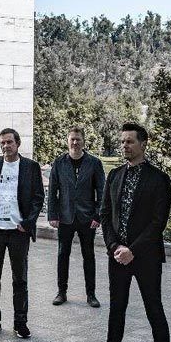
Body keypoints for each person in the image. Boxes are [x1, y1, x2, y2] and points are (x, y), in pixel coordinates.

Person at [85, 123, 171, 342]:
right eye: (122, 141)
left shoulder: (159, 179)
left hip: (146, 258)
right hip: (117, 256)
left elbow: (158, 223)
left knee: (154, 312)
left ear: (143, 144)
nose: (124, 145)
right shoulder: (114, 175)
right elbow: (106, 214)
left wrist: (132, 249)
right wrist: (114, 246)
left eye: (130, 141)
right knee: (116, 309)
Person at [0, 128, 45, 339]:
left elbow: (38, 197)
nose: (6, 146)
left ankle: (20, 322)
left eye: (9, 142)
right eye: (3, 142)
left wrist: (28, 223)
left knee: (20, 279)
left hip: (18, 232)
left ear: (18, 143)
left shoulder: (30, 167)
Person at [48, 126, 106, 308]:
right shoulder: (59, 163)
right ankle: (61, 292)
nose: (75, 142)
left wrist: (98, 216)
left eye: (78, 139)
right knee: (62, 255)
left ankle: (91, 295)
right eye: (72, 139)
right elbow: (53, 191)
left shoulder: (94, 163)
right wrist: (52, 214)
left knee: (89, 256)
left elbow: (102, 192)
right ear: (68, 141)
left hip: (87, 218)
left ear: (83, 141)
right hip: (65, 217)